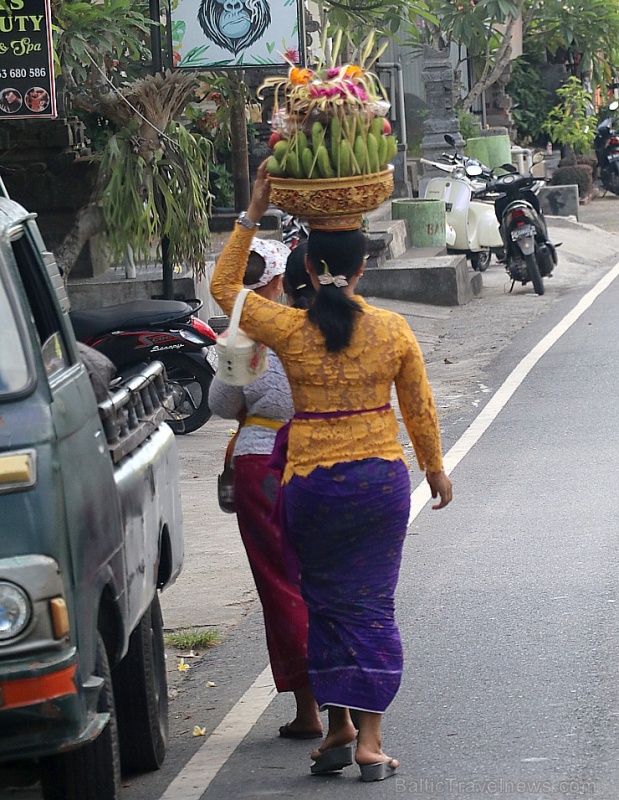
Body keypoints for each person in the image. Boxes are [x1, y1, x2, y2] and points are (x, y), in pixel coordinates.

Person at [210, 162, 453, 782]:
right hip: (378, 482)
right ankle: (370, 742)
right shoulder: (392, 329)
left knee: (321, 603)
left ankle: (338, 726)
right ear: (365, 266)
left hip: (311, 485)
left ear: (310, 269)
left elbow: (224, 288)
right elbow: (418, 408)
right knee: (371, 603)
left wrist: (253, 210)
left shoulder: (289, 327)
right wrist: (435, 469)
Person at [208, 237, 322, 739]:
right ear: (279, 282)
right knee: (322, 575)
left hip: (261, 463)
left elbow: (220, 402)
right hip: (317, 457)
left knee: (280, 582)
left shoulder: (246, 337)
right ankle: (344, 701)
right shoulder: (315, 328)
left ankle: (309, 707)